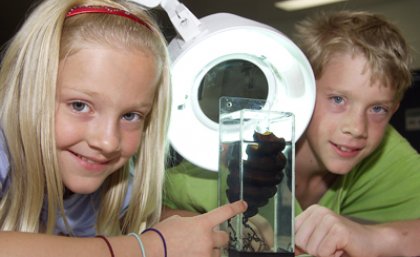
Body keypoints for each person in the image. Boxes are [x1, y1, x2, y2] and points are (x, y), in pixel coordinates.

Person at [162, 10, 420, 257]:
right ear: (301, 84)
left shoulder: (379, 145)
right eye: (338, 99)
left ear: (393, 109)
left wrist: (373, 239)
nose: (357, 127)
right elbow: (141, 212)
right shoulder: (234, 160)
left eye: (377, 108)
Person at [0, 0, 247, 256]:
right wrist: (147, 248)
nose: (108, 142)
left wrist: (213, 231)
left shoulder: (103, 179)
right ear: (26, 93)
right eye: (79, 106)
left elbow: (149, 217)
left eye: (130, 115)